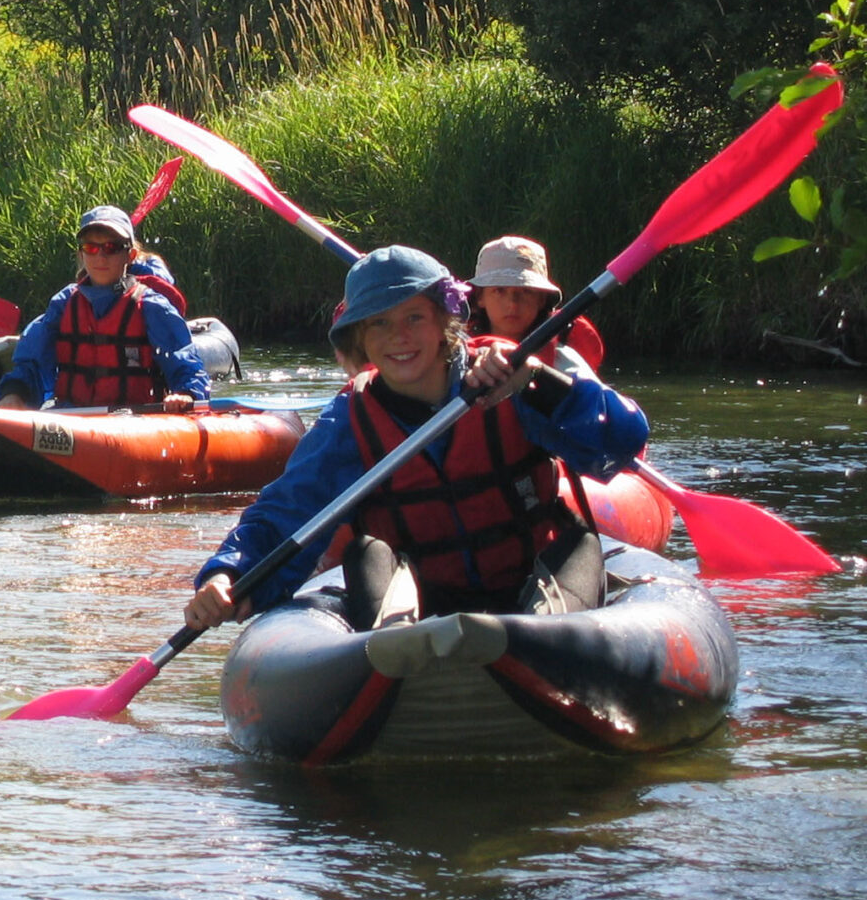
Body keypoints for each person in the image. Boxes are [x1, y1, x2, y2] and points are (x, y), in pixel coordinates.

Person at [184, 245, 649, 633]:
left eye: (414, 318)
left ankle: (538, 645)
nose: (398, 338)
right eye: (379, 324)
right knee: (367, 552)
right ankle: (399, 655)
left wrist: (540, 385)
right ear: (360, 340)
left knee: (581, 544)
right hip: (421, 602)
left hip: (534, 582)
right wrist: (228, 575)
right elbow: (284, 512)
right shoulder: (352, 417)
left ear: (446, 323)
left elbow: (624, 441)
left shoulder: (511, 375)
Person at [0, 206, 210, 412]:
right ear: (81, 254)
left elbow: (184, 361)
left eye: (111, 248)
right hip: (73, 416)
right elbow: (33, 361)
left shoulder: (151, 306)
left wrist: (186, 393)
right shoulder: (63, 303)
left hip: (134, 417)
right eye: (91, 248)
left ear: (130, 255)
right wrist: (15, 393)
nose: (100, 257)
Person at [466, 235, 606, 373]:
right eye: (499, 291)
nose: (512, 304)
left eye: (526, 291)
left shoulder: (567, 363)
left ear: (542, 300)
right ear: (480, 297)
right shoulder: (456, 359)